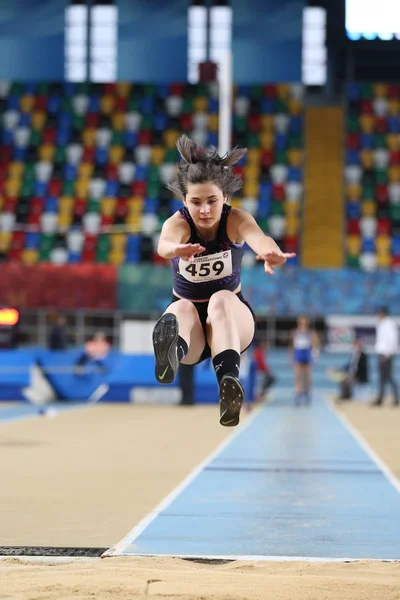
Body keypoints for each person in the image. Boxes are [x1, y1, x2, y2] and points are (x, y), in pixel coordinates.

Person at [151, 135, 295, 427]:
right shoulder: (177, 224)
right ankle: (171, 353)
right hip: (192, 329)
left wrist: (270, 252)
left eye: (212, 201)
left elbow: (258, 237)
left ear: (225, 198)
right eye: (196, 202)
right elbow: (163, 245)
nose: (204, 210)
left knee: (221, 299)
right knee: (179, 310)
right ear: (184, 201)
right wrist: (175, 250)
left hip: (231, 322)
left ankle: (229, 384)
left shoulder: (235, 220)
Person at [371, 306, 399, 407]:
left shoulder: (389, 324)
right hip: (382, 353)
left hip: (386, 354)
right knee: (382, 377)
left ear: (383, 313)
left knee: (388, 376)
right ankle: (380, 398)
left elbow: (392, 339)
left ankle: (395, 398)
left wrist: (387, 353)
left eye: (379, 313)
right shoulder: (382, 323)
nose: (378, 315)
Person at [290, 316, 320, 406]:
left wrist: (315, 355)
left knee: (307, 377)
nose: (302, 324)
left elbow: (316, 344)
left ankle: (307, 393)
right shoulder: (294, 332)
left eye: (304, 322)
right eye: (301, 322)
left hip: (307, 355)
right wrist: (291, 357)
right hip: (298, 355)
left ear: (307, 323)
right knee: (298, 377)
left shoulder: (310, 333)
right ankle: (298, 394)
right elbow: (291, 346)